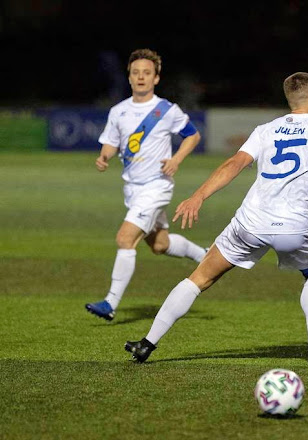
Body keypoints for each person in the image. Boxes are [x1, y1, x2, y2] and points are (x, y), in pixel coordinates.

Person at [123, 72, 308, 365]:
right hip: (293, 228)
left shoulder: (266, 128)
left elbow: (234, 163)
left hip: (250, 223)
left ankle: (147, 343)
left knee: (199, 278)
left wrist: (198, 196)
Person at [85, 48, 207, 321]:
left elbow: (192, 136)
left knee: (125, 238)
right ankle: (206, 255)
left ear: (156, 78)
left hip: (157, 186)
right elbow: (111, 142)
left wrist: (176, 159)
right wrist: (104, 156)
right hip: (132, 188)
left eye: (147, 73)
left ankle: (110, 302)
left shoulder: (166, 110)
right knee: (160, 245)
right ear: (129, 77)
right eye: (136, 72)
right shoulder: (118, 111)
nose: (141, 77)